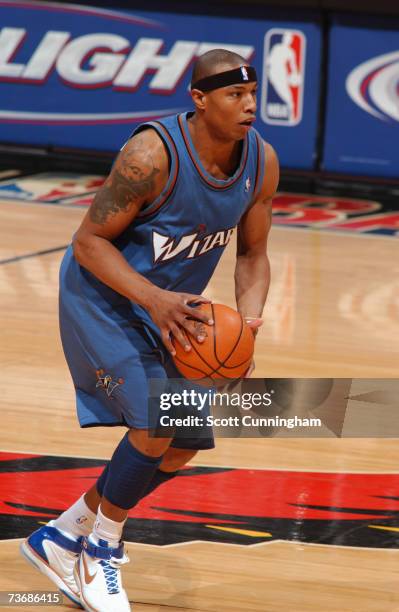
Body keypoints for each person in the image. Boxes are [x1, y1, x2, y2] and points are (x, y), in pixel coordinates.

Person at [20, 49, 279, 612]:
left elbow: (253, 255)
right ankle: (100, 551)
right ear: (199, 99)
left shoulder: (261, 161)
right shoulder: (149, 156)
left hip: (175, 309)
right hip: (105, 298)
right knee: (159, 421)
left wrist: (250, 321)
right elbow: (88, 243)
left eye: (253, 93)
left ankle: (64, 535)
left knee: (184, 443)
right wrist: (154, 299)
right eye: (235, 95)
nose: (249, 106)